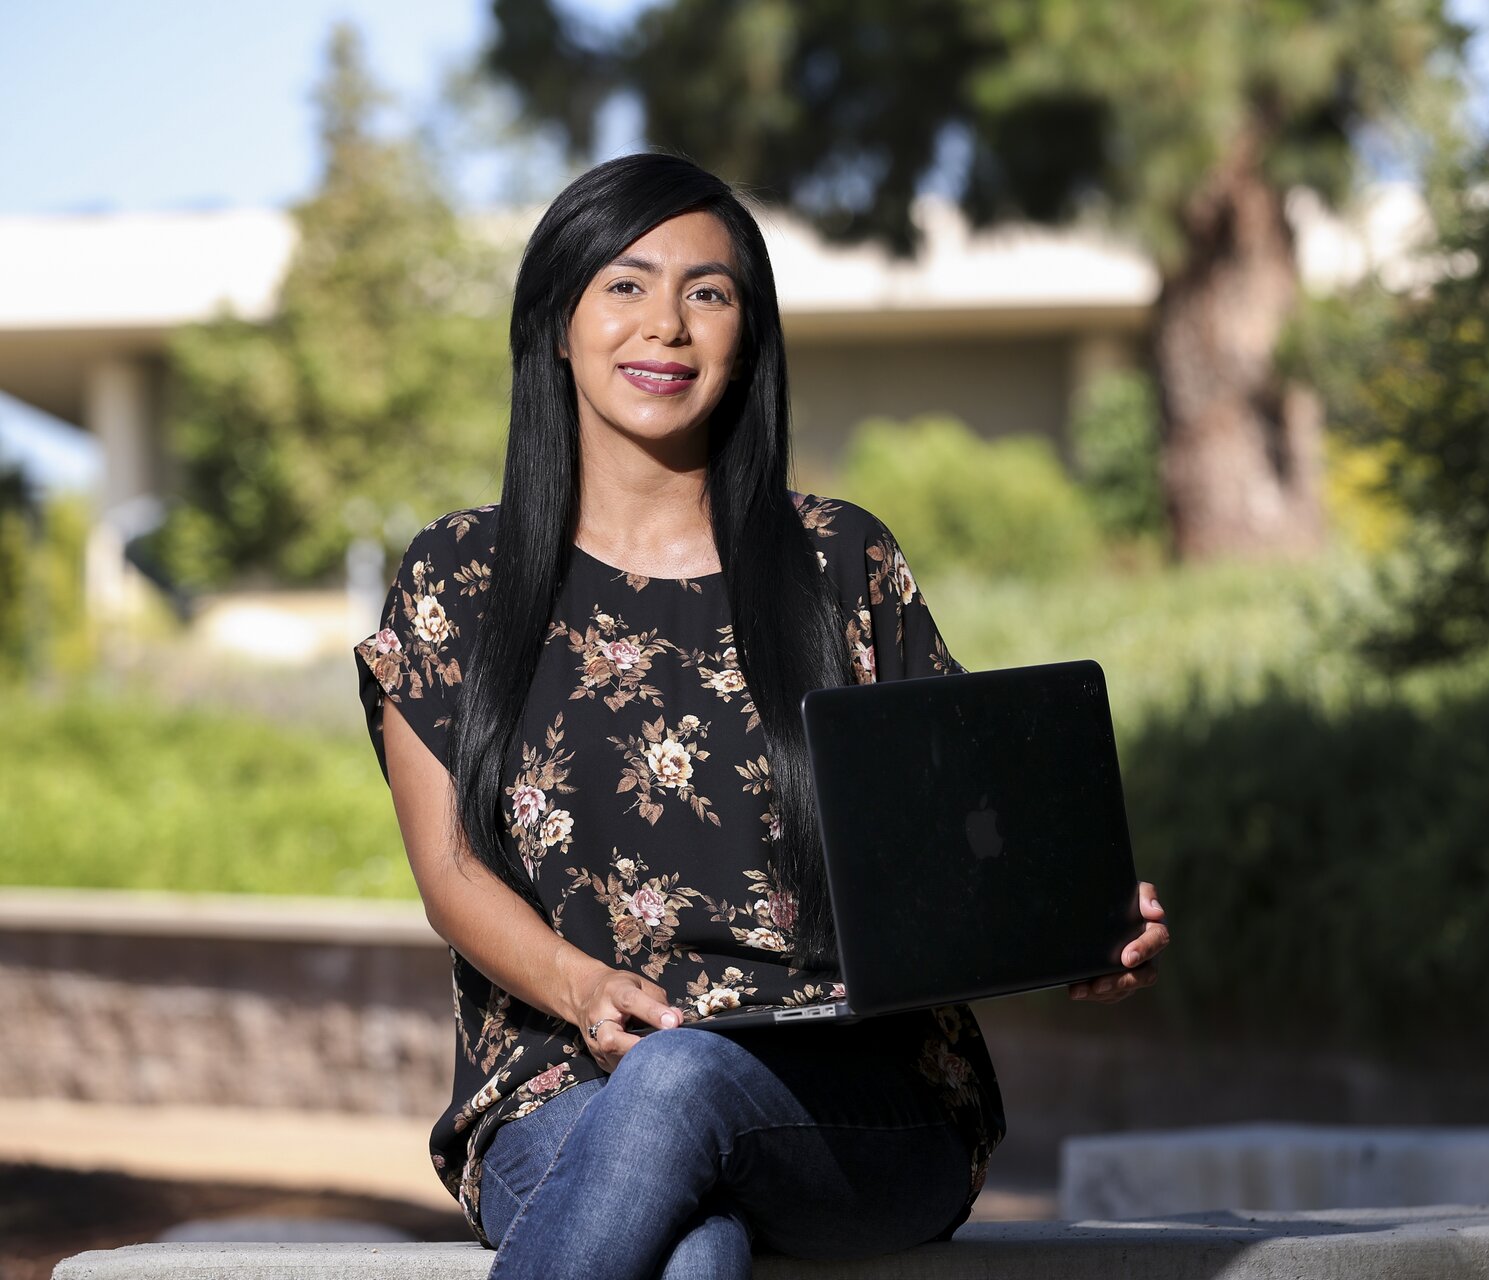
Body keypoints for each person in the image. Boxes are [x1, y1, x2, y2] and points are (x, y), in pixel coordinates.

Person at [351, 150, 1171, 1280]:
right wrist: (583, 987)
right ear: (555, 321)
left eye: (709, 292)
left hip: (852, 1103)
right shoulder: (461, 576)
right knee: (696, 1250)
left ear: (748, 336)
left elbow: (959, 829)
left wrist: (1071, 910)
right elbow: (449, 871)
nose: (668, 328)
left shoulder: (841, 559)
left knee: (681, 1081)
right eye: (625, 286)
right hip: (555, 1086)